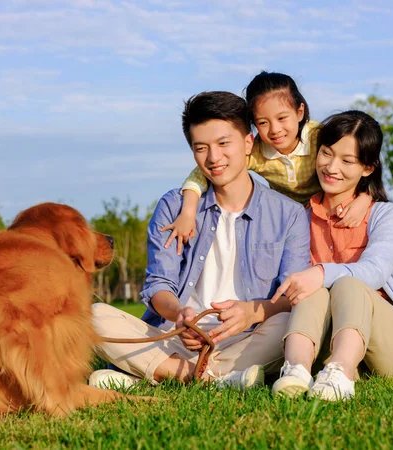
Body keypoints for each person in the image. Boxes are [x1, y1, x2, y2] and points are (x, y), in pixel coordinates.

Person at [89, 91, 316, 389]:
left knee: (291, 324)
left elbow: (291, 296)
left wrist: (252, 312)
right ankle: (211, 378)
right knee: (92, 316)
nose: (213, 158)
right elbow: (159, 285)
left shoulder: (288, 214)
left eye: (224, 144)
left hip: (247, 340)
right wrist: (180, 315)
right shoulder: (174, 207)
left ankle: (155, 375)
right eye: (201, 148)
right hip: (175, 339)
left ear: (248, 142)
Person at [268, 110, 393, 401]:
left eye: (347, 161)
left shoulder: (389, 216)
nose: (331, 167)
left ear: (367, 168)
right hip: (333, 342)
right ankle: (296, 371)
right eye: (326, 154)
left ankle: (340, 374)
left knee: (347, 282)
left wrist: (319, 273)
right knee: (312, 290)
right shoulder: (300, 219)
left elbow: (374, 272)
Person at [164, 72, 372, 254]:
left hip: (332, 209)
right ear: (254, 124)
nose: (274, 130)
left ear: (300, 112)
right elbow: (201, 173)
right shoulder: (255, 151)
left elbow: (357, 163)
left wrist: (364, 197)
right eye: (263, 122)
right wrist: (188, 212)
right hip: (291, 221)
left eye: (282, 118)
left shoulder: (320, 137)